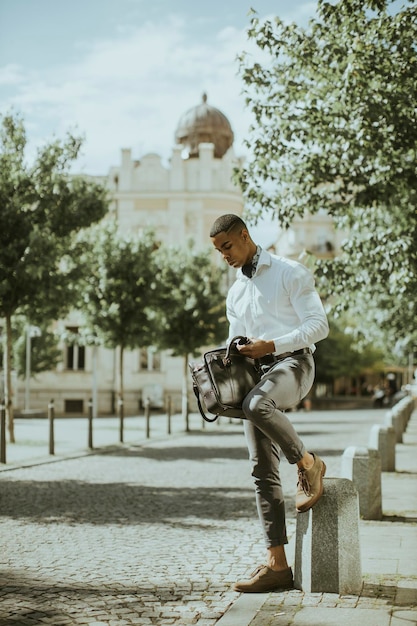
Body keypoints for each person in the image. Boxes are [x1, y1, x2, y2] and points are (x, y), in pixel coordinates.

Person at [210, 214, 329, 593]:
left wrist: (272, 345)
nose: (224, 255)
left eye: (227, 246)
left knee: (257, 405)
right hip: (256, 378)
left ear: (245, 236)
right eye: (218, 250)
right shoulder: (235, 293)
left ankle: (310, 464)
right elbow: (238, 345)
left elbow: (319, 325)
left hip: (295, 364)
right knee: (261, 468)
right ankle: (277, 565)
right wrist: (226, 358)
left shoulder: (289, 272)